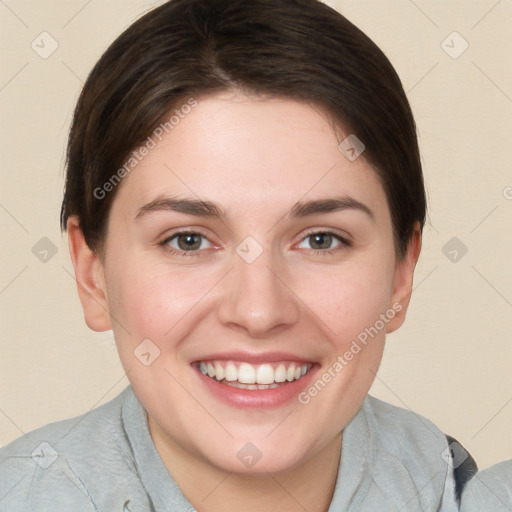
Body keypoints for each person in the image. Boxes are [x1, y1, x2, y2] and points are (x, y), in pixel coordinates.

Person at [0, 0, 477, 510]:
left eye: (321, 239)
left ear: (402, 274)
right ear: (93, 275)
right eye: (188, 240)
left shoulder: (457, 488)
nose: (258, 312)